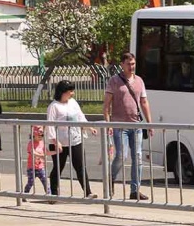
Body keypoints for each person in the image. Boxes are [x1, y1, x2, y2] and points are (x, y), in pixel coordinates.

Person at [104, 51, 153, 200]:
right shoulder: (114, 81)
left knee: (138, 157)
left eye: (133, 64)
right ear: (122, 65)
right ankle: (111, 178)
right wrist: (108, 124)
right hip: (120, 125)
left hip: (136, 125)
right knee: (121, 155)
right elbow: (106, 105)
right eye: (128, 64)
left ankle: (135, 190)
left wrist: (150, 123)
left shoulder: (139, 81)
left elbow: (144, 102)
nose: (131, 67)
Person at [46, 79, 97, 199]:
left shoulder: (73, 102)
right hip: (60, 143)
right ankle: (53, 194)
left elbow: (80, 116)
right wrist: (55, 141)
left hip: (75, 141)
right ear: (63, 92)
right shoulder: (54, 106)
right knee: (58, 168)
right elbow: (50, 125)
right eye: (70, 91)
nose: (72, 93)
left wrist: (89, 127)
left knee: (80, 167)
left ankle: (88, 192)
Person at [24, 126, 49, 196]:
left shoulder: (42, 143)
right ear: (33, 135)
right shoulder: (31, 143)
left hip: (40, 167)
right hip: (31, 167)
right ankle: (25, 194)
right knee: (30, 182)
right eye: (39, 135)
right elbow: (33, 152)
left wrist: (52, 153)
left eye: (42, 135)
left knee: (45, 182)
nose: (41, 137)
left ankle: (49, 195)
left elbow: (46, 152)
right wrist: (41, 156)